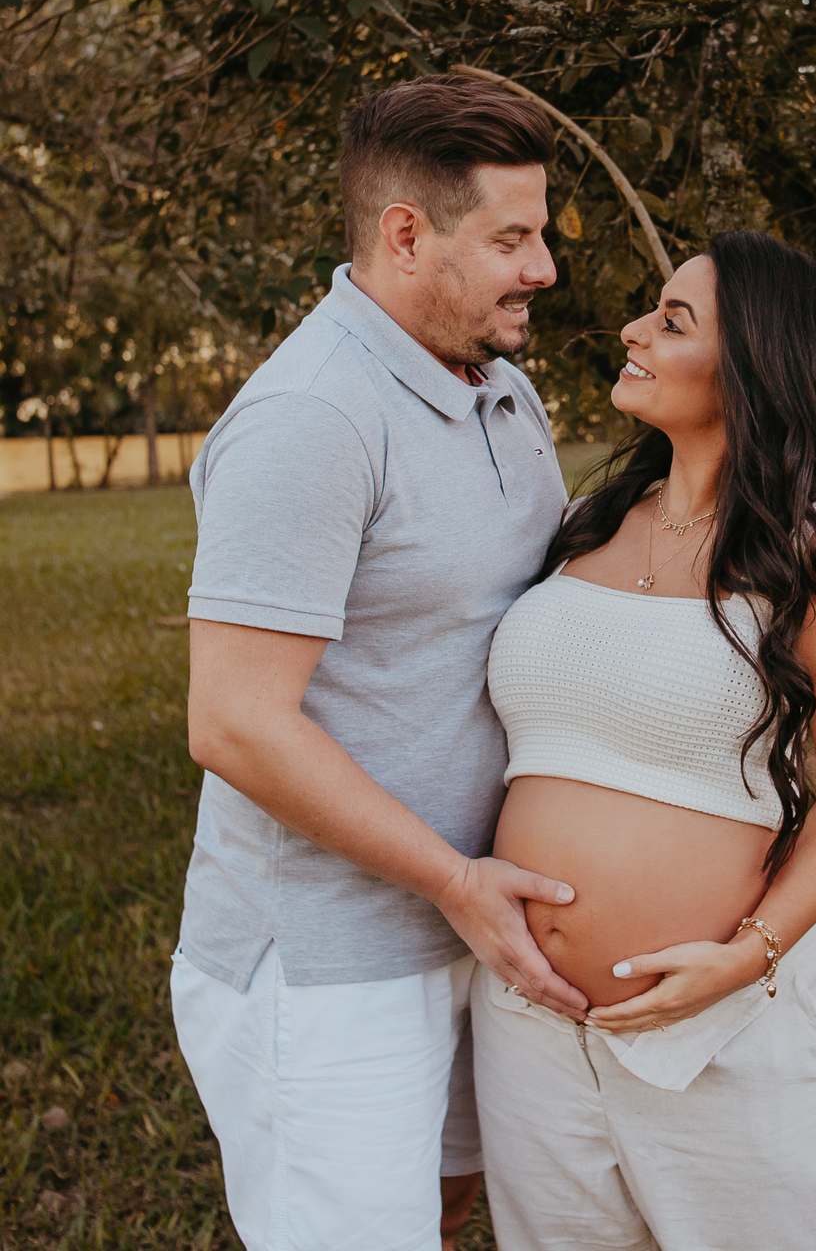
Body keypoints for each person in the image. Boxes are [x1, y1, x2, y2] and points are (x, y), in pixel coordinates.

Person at [170, 74, 590, 1251]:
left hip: (470, 926)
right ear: (407, 235)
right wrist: (452, 881)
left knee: (442, 1214)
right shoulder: (312, 417)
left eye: (540, 235)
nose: (543, 269)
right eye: (511, 239)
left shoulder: (503, 388)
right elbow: (235, 723)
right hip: (333, 961)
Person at [475, 231, 816, 1251]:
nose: (632, 329)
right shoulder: (586, 522)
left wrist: (746, 957)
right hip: (529, 1021)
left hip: (726, 1025)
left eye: (673, 321)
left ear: (754, 368)